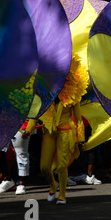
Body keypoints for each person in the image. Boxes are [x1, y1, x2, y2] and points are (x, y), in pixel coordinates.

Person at [36, 54, 87, 205]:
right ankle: (53, 184)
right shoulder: (46, 94)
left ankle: (62, 195)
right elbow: (37, 112)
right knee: (44, 167)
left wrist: (80, 138)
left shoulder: (73, 95)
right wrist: (28, 129)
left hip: (66, 132)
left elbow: (78, 119)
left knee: (62, 165)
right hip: (49, 133)